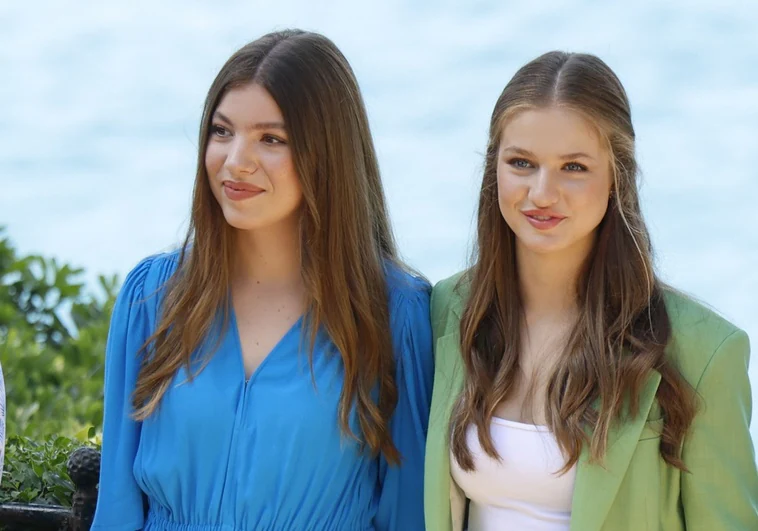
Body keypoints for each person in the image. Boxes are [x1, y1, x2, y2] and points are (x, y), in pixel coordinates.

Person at [92, 29, 433, 531]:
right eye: (222, 131)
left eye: (271, 139)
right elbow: (117, 508)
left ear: (328, 154)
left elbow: (408, 515)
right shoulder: (152, 297)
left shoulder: (394, 315)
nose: (235, 161)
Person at [424, 51, 758, 531]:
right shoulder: (448, 310)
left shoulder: (703, 352)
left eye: (574, 167)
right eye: (521, 163)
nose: (542, 192)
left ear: (616, 176)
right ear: (492, 167)